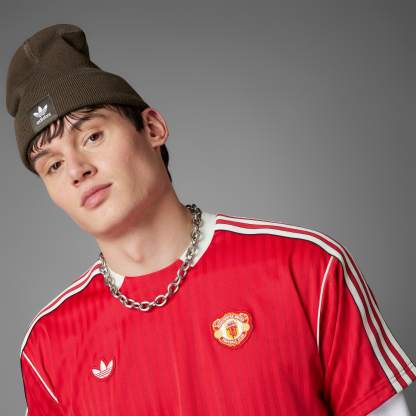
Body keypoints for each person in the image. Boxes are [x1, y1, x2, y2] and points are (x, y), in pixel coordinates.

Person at [6, 23, 415, 416]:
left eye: (92, 136)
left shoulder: (307, 268)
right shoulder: (49, 344)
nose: (76, 169)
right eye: (53, 165)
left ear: (152, 128)